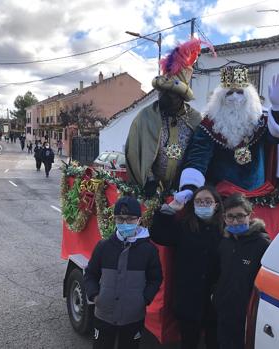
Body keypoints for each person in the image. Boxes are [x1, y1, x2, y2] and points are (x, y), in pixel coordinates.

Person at [176, 66, 279, 203]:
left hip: (258, 196)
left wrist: (278, 107)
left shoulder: (261, 120)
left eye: (240, 92)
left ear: (249, 97)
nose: (235, 97)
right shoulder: (208, 125)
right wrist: (190, 187)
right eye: (229, 93)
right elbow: (198, 158)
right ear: (220, 99)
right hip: (221, 197)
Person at [125, 38, 213, 197]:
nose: (164, 97)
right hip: (149, 192)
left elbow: (199, 154)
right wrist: (150, 181)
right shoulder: (146, 117)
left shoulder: (195, 119)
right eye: (162, 92)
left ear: (181, 97)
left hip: (183, 192)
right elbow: (135, 152)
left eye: (170, 94)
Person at [84, 196, 163, 349]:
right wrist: (95, 296)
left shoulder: (148, 250)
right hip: (103, 315)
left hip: (133, 318)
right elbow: (90, 274)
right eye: (120, 219)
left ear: (139, 220)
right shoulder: (103, 247)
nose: (125, 223)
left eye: (130, 219)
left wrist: (144, 300)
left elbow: (156, 278)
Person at [150, 186, 224, 349]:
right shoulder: (184, 226)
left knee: (215, 342)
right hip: (188, 299)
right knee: (188, 342)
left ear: (216, 205)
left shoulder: (225, 229)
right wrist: (169, 209)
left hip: (215, 301)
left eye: (207, 201)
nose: (203, 205)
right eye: (199, 201)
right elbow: (158, 235)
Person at [214, 193, 270, 349]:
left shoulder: (262, 245)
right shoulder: (226, 241)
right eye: (230, 217)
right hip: (224, 310)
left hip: (246, 315)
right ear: (224, 218)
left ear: (249, 215)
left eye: (240, 216)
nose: (235, 221)